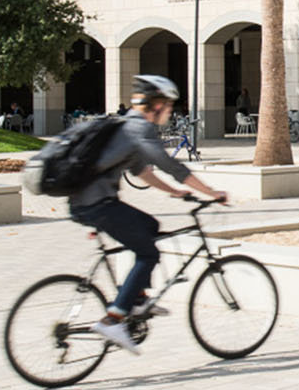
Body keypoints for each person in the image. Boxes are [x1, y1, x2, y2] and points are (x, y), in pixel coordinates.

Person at [70, 74, 227, 354]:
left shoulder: (126, 126)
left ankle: (138, 298)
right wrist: (211, 192)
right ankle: (114, 318)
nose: (170, 112)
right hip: (97, 204)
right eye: (168, 106)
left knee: (150, 225)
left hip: (89, 202)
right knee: (149, 254)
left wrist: (173, 192)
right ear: (155, 106)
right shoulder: (138, 130)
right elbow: (170, 165)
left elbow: (140, 170)